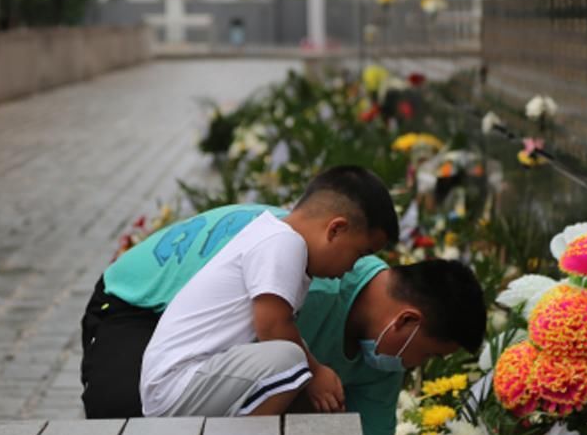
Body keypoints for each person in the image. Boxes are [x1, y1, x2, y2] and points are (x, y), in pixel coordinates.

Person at [80, 165, 398, 419]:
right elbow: (272, 327)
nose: (352, 267)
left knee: (290, 364)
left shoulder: (274, 237)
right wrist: (316, 372)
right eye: (359, 254)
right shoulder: (283, 243)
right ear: (336, 229)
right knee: (289, 358)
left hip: (191, 379)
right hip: (177, 382)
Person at [295, 256, 486, 435]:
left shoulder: (383, 361)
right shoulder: (310, 286)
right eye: (428, 354)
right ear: (406, 320)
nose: (417, 365)